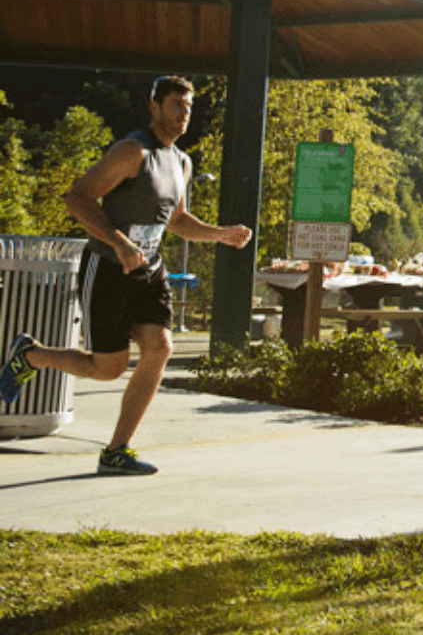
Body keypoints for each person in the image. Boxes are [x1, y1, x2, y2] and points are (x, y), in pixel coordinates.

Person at [0, 76, 253, 475]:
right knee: (109, 368)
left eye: (188, 107)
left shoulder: (181, 162)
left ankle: (117, 449)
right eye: (175, 105)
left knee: (160, 348)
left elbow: (177, 220)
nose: (183, 114)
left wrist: (221, 235)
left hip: (150, 270)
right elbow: (77, 198)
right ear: (154, 107)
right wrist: (119, 244)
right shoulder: (132, 151)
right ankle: (30, 355)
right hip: (109, 268)